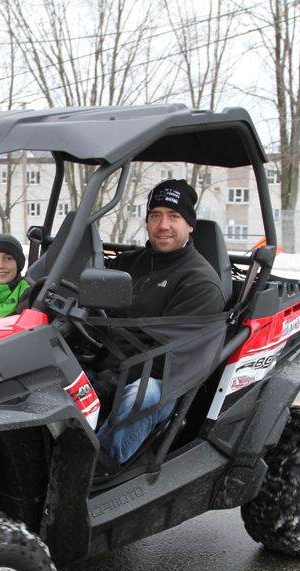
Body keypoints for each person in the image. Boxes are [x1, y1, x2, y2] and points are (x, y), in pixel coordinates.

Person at [98, 179, 226, 464]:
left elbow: (173, 357)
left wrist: (114, 378)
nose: (163, 225)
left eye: (174, 216)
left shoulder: (200, 282)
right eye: (155, 215)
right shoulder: (127, 264)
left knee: (141, 396)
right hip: (106, 364)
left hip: (160, 381)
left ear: (190, 225)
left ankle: (102, 466)